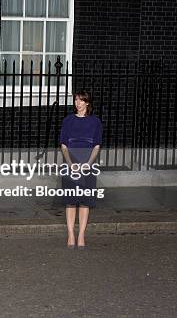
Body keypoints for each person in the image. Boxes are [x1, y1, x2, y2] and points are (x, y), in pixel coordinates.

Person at [59, 89, 102, 249]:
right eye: (76, 99)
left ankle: (81, 235)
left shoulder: (95, 122)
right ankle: (70, 234)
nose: (77, 103)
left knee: (85, 201)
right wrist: (70, 163)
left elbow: (97, 145)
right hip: (71, 162)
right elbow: (63, 144)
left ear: (87, 103)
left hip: (88, 163)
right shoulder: (68, 121)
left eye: (81, 100)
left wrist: (89, 163)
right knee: (71, 201)